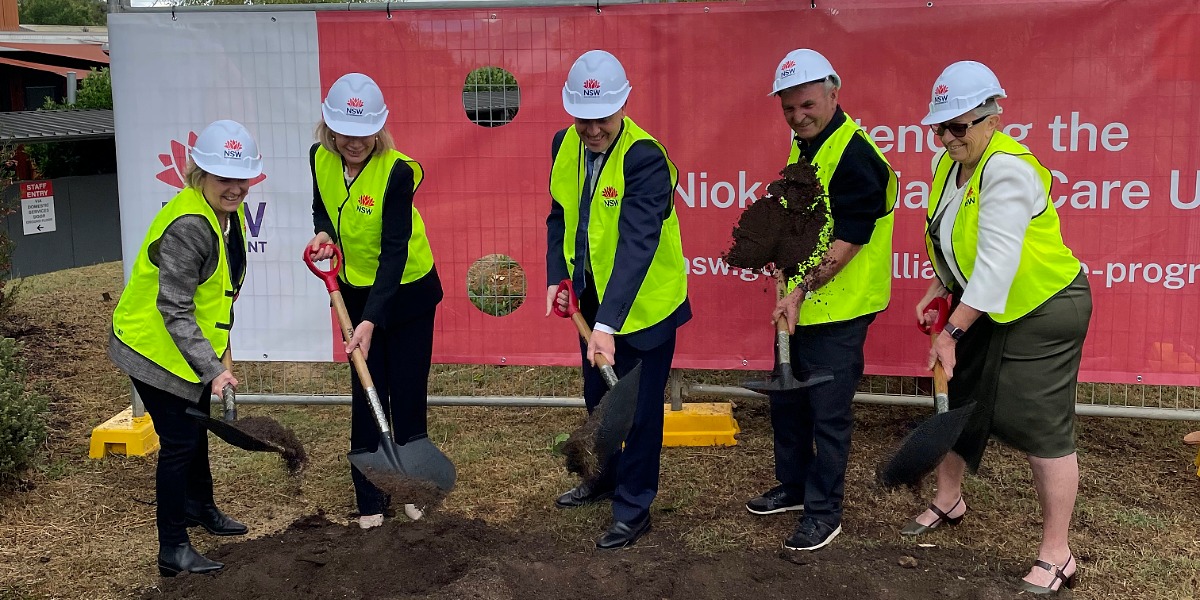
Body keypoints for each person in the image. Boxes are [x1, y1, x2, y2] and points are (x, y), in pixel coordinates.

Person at [902, 61, 1091, 595]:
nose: (946, 138)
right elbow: (949, 233)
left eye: (957, 126)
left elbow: (998, 266)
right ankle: (949, 500)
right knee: (960, 394)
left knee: (1038, 423)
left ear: (991, 118)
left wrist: (951, 332)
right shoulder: (951, 163)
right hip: (983, 303)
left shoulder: (1007, 168)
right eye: (939, 127)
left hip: (1045, 307)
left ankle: (1059, 555)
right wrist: (940, 286)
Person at [745, 49, 896, 552]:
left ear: (834, 94)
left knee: (828, 416)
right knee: (787, 402)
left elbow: (847, 243)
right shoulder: (805, 146)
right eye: (788, 108)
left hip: (839, 309)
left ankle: (823, 511)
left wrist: (801, 290)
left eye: (807, 104)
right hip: (799, 301)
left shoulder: (856, 158)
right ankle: (792, 486)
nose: (797, 115)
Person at [546, 49, 691, 549]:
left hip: (645, 308)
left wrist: (607, 324)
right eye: (583, 120)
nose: (591, 130)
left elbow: (637, 245)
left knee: (640, 412)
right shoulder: (563, 145)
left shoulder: (645, 158)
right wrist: (556, 277)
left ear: (623, 106)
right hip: (590, 302)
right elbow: (559, 216)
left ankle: (634, 505)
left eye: (602, 119)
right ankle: (603, 480)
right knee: (600, 401)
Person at [109, 119, 261, 576]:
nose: (234, 188)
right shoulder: (191, 225)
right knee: (178, 442)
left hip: (186, 351)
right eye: (223, 178)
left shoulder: (222, 217)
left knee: (195, 431)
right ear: (201, 175)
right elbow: (174, 308)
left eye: (242, 178)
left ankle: (200, 507)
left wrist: (219, 355)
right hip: (152, 350)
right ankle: (172, 549)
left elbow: (216, 294)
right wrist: (213, 371)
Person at [306, 72, 443, 530]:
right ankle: (370, 500)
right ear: (331, 127)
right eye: (346, 130)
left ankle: (412, 489)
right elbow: (321, 206)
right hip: (352, 290)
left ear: (378, 129)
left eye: (365, 131)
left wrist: (371, 321)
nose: (355, 140)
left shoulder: (398, 171)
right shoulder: (319, 159)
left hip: (406, 294)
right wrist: (324, 231)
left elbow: (394, 250)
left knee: (405, 391)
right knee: (366, 393)